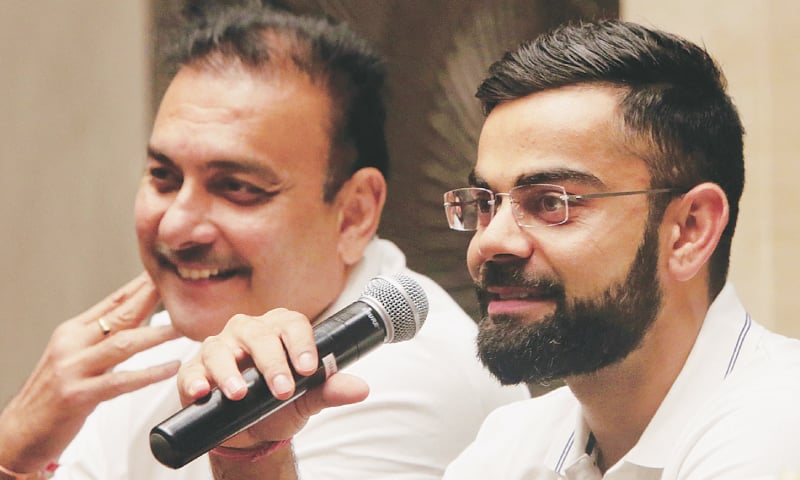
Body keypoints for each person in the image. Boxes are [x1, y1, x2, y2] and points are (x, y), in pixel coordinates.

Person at [176, 18, 800, 480]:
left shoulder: (778, 426)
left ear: (689, 230)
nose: (489, 243)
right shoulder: (516, 444)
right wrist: (254, 456)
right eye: (485, 202)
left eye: (551, 202)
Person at [0, 3, 528, 479]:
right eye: (163, 177)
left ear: (353, 215)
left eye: (238, 189)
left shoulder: (404, 377)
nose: (176, 227)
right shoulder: (163, 343)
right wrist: (16, 450)